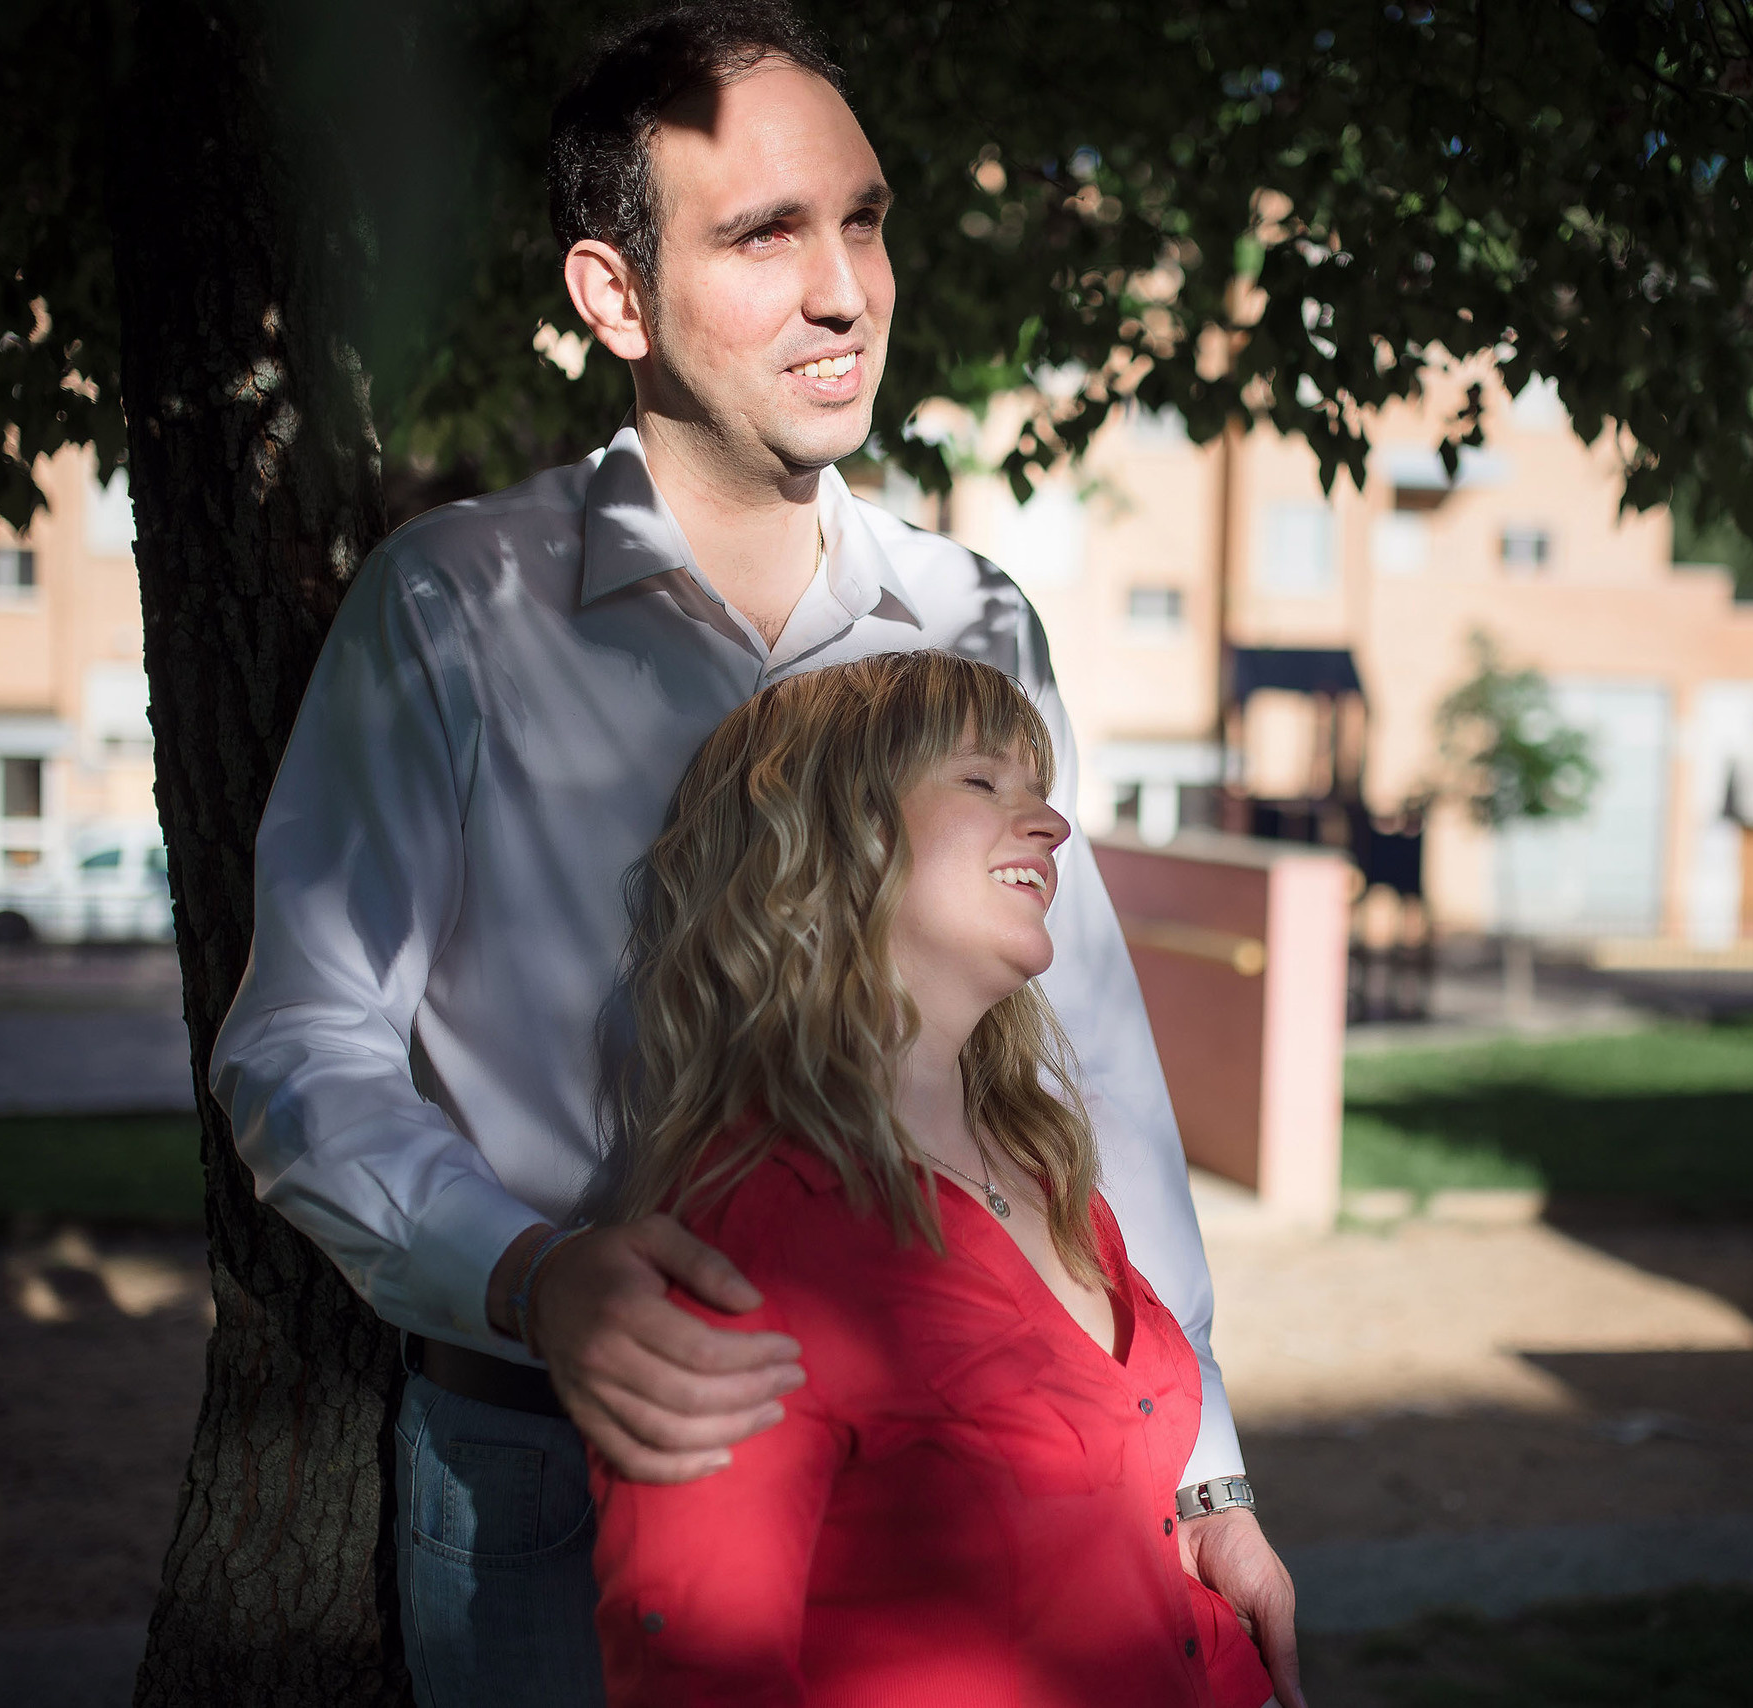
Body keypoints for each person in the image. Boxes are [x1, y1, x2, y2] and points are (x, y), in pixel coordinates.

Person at [205, 4, 1303, 1705]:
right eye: (764, 234)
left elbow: (1087, 1065)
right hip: (549, 1458)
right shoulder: (456, 611)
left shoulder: (971, 618)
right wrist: (528, 1274)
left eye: (863, 219)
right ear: (613, 295)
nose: (845, 288)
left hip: (968, 1464)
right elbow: (300, 1046)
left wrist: (1199, 1464)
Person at [586, 651, 1274, 1707]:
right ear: (836, 840)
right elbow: (701, 1667)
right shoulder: (761, 1234)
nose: (1049, 824)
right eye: (982, 782)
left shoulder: (1047, 1168)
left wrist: (1214, 1522)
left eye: (1041, 790)